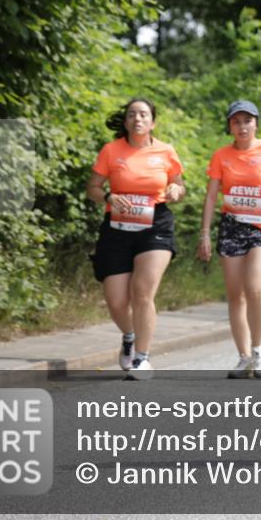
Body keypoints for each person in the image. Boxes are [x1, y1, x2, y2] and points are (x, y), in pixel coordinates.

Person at [86, 98, 186, 379]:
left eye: (143, 115)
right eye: (132, 115)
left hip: (155, 226)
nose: (137, 119)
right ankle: (129, 336)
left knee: (142, 291)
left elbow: (178, 185)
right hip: (117, 228)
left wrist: (177, 191)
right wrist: (108, 196)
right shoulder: (111, 151)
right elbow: (92, 187)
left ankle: (142, 358)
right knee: (116, 301)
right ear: (126, 121)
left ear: (152, 122)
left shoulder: (165, 151)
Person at [198, 100, 261, 379]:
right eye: (236, 122)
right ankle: (244, 357)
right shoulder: (221, 156)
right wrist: (204, 233)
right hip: (232, 228)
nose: (242, 126)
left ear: (256, 123)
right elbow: (212, 196)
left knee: (254, 289)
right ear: (229, 126)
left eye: (247, 121)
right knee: (235, 296)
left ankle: (259, 349)